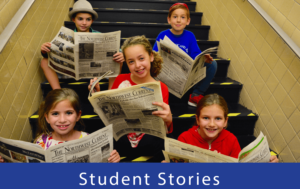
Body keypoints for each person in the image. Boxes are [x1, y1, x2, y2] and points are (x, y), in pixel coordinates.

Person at [89, 35, 173, 158]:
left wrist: (169, 120)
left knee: (164, 142)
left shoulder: (161, 87)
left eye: (141, 58)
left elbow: (162, 125)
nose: (138, 65)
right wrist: (96, 95)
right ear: (127, 63)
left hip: (147, 139)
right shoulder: (120, 79)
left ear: (151, 56)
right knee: (103, 136)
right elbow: (107, 114)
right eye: (131, 62)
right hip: (122, 137)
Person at [0, 88, 120, 163]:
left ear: (78, 116)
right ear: (47, 117)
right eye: (55, 114)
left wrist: (112, 161)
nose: (62, 120)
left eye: (68, 113)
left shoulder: (88, 139)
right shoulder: (41, 142)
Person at [40, 0, 124, 90]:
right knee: (44, 61)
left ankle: (110, 91)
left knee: (118, 60)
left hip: (95, 73)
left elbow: (116, 51)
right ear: (73, 19)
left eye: (88, 19)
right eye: (80, 19)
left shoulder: (99, 35)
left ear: (92, 21)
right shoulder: (65, 36)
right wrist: (44, 50)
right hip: (71, 73)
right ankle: (57, 91)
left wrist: (121, 55)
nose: (84, 23)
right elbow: (54, 53)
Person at [177, 93, 278, 162]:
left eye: (218, 118)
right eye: (206, 118)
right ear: (198, 119)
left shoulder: (231, 140)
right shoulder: (185, 139)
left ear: (225, 121)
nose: (212, 124)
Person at [153, 3, 217, 107]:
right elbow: (154, 54)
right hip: (167, 73)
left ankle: (196, 94)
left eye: (182, 17)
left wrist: (203, 58)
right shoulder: (163, 34)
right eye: (175, 17)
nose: (178, 20)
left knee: (212, 64)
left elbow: (195, 55)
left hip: (184, 75)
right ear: (169, 19)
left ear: (188, 21)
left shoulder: (190, 36)